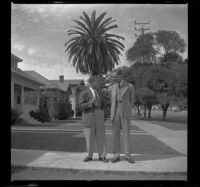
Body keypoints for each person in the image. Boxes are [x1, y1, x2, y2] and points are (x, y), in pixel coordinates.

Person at [78, 75, 108, 163]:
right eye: (96, 82)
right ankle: (89, 156)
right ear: (91, 83)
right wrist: (90, 103)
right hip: (89, 116)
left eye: (98, 82)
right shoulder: (84, 93)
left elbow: (103, 104)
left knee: (101, 137)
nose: (97, 83)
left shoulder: (99, 92)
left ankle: (102, 156)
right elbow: (80, 106)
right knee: (89, 138)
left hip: (99, 116)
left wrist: (103, 114)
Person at [110, 71, 135, 163]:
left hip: (125, 112)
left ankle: (127, 156)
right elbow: (112, 101)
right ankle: (116, 156)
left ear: (120, 76)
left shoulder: (129, 86)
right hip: (115, 111)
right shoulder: (112, 87)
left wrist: (128, 110)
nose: (114, 78)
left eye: (115, 76)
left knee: (126, 134)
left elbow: (132, 101)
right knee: (115, 135)